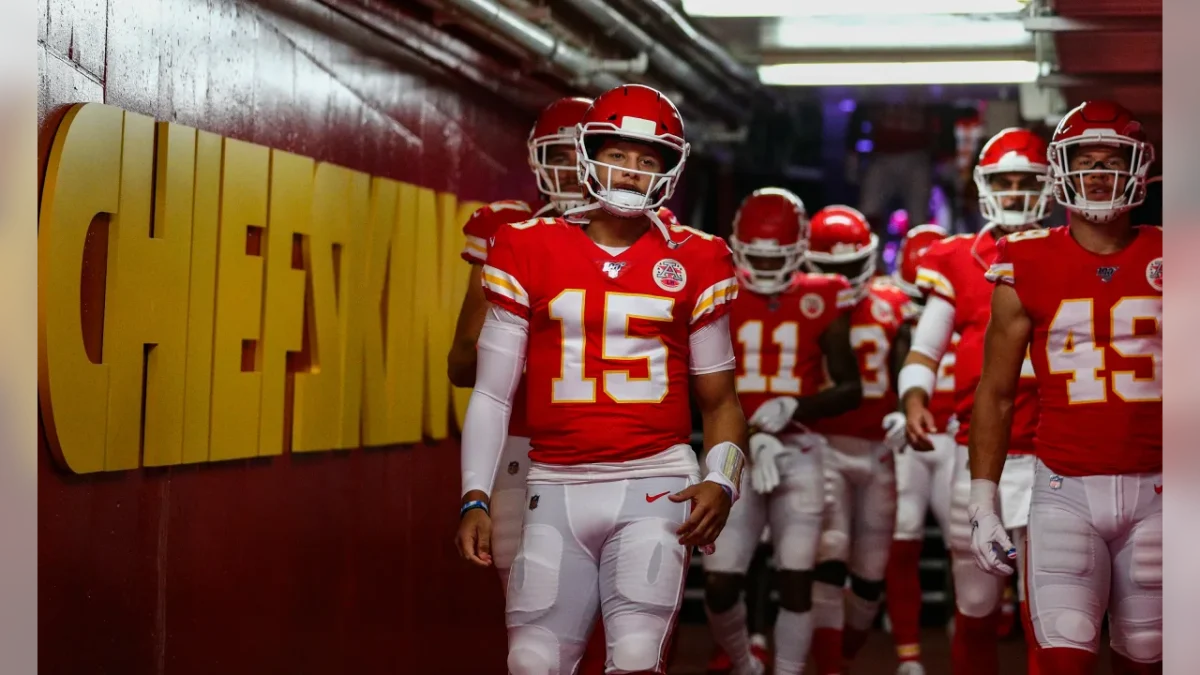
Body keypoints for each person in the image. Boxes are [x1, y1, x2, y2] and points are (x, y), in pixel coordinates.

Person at [455, 83, 749, 675]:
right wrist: (474, 495)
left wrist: (723, 477)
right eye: (617, 153)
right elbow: (489, 389)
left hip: (654, 478)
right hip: (553, 478)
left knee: (637, 658)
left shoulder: (698, 256)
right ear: (590, 153)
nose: (630, 171)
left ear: (666, 173)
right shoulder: (524, 244)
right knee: (532, 662)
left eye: (647, 161)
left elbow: (720, 400)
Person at [969, 100, 1162, 674]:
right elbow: (997, 392)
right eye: (1086, 158)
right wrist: (982, 499)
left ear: (1140, 170)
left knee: (1148, 658)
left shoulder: (1175, 254)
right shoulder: (1024, 259)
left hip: (1162, 490)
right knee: (1062, 657)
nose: (1099, 172)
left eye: (1112, 159)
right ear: (1061, 168)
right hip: (1064, 488)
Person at [447, 96, 611, 674]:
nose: (570, 170)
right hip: (524, 448)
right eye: (558, 155)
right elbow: (463, 364)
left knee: (619, 622)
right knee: (536, 626)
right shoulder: (510, 232)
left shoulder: (645, 241)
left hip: (617, 450)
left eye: (581, 153)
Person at [900, 127, 1050, 675]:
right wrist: (914, 395)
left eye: (1025, 181)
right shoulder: (956, 258)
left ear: (1048, 185)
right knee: (976, 606)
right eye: (1003, 181)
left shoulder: (1065, 252)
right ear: (985, 186)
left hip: (1055, 451)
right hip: (979, 448)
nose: (1013, 192)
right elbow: (926, 348)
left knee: (1050, 614)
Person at [703, 188, 862, 675]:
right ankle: (744, 663)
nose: (767, 269)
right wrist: (750, 433)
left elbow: (851, 388)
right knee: (719, 584)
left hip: (802, 448)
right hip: (736, 451)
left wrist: (795, 404)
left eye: (779, 257)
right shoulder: (718, 288)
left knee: (796, 577)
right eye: (755, 256)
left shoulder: (824, 293)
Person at [798, 205, 912, 674]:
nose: (842, 280)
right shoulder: (799, 300)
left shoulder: (892, 304)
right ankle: (830, 665)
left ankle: (844, 648)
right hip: (823, 444)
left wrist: (907, 409)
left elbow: (910, 367)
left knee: (869, 575)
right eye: (831, 269)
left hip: (879, 446)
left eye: (850, 268)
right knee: (831, 549)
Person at [882, 223, 958, 675]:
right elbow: (887, 369)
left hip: (959, 434)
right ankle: (908, 655)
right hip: (911, 436)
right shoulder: (892, 312)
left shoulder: (978, 299)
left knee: (968, 547)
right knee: (904, 535)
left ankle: (963, 634)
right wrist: (895, 410)